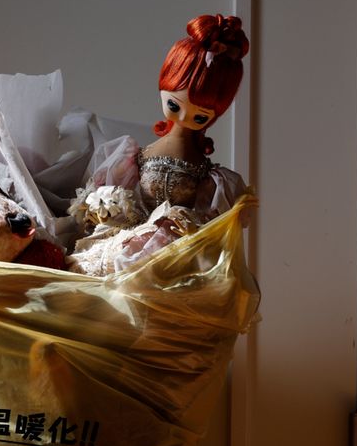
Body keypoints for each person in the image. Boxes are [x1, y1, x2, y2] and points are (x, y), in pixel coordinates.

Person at [67, 14, 251, 275]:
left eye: (200, 117)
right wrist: (107, 209)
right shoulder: (129, 156)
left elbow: (211, 227)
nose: (185, 118)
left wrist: (186, 225)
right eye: (174, 105)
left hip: (172, 258)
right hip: (127, 243)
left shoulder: (216, 181)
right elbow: (111, 200)